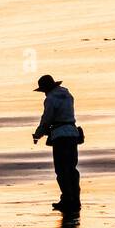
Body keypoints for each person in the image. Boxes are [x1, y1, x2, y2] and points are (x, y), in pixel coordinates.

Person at [31, 74, 82, 213]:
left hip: (60, 136)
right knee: (72, 168)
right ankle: (75, 199)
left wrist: (38, 134)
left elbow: (46, 119)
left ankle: (67, 199)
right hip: (72, 133)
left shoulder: (51, 99)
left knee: (61, 170)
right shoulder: (68, 95)